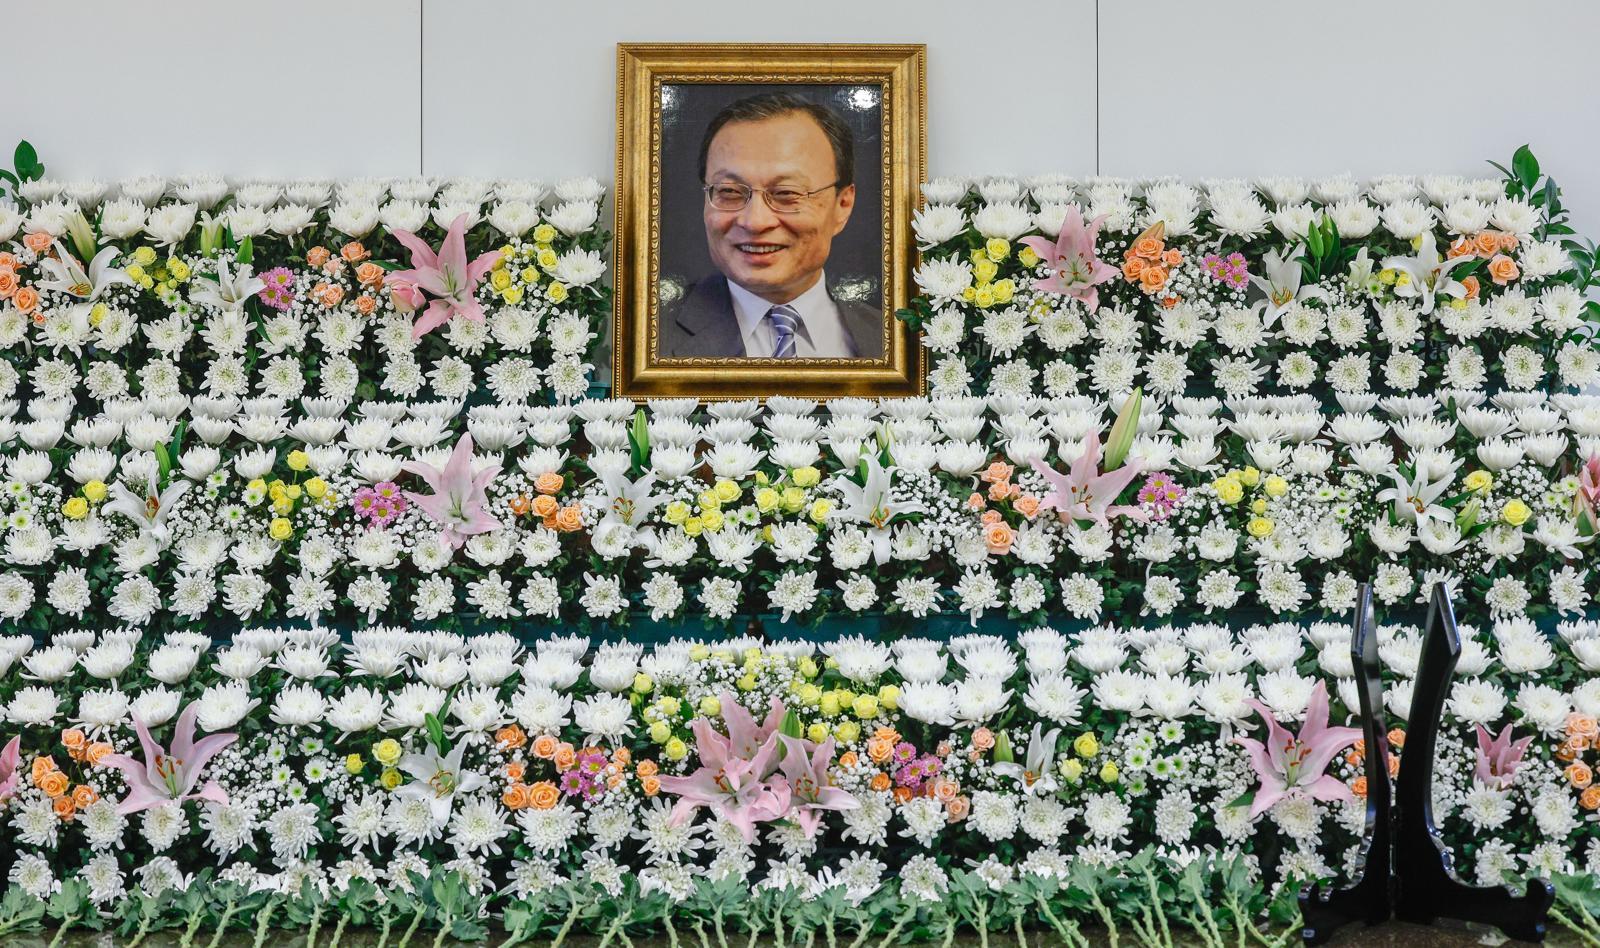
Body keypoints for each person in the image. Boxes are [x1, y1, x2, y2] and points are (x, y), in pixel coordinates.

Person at [659, 92, 883, 360]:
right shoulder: (644, 338)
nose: (755, 222)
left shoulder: (897, 341)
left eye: (786, 193)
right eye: (729, 192)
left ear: (842, 205)